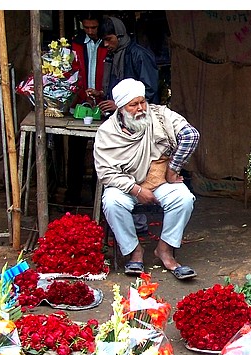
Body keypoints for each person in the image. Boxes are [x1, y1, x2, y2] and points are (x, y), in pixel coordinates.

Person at [94, 78, 200, 280]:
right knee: (112, 202)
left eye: (142, 102)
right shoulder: (107, 132)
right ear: (121, 107)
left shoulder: (160, 116)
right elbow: (106, 172)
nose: (141, 108)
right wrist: (136, 190)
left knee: (184, 199)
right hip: (125, 185)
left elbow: (191, 135)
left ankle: (164, 249)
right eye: (133, 105)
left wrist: (173, 168)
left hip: (159, 181)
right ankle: (135, 251)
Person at [91, 15, 160, 233]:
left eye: (109, 39)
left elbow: (149, 91)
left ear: (120, 36)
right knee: (118, 174)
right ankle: (125, 225)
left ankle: (137, 225)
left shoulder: (138, 55)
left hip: (140, 125)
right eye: (103, 40)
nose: (106, 44)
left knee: (138, 172)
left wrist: (125, 104)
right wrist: (104, 96)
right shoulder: (114, 56)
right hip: (122, 123)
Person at [64, 11, 109, 205]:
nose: (90, 31)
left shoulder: (108, 44)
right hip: (79, 104)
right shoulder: (75, 44)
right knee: (75, 153)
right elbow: (70, 74)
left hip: (103, 103)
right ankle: (72, 196)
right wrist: (82, 95)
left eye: (94, 27)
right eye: (87, 27)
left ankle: (97, 199)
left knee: (102, 154)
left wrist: (101, 93)